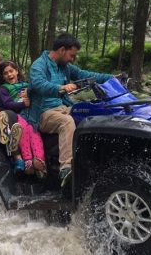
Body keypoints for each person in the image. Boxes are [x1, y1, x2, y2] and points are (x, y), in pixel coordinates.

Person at [24, 33, 113, 186]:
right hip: (43, 113)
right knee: (67, 122)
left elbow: (85, 74)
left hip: (63, 106)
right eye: (72, 55)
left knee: (89, 113)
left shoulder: (65, 66)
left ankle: (92, 158)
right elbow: (39, 84)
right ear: (62, 50)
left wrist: (112, 77)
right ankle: (65, 168)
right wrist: (61, 87)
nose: (73, 59)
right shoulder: (39, 65)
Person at [0, 61, 47, 178]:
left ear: (17, 71)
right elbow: (7, 104)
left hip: (31, 114)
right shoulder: (4, 88)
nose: (9, 74)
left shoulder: (26, 85)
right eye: (5, 73)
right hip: (18, 114)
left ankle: (39, 160)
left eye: (11, 71)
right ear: (3, 77)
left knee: (34, 130)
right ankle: (28, 161)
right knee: (22, 130)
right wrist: (23, 104)